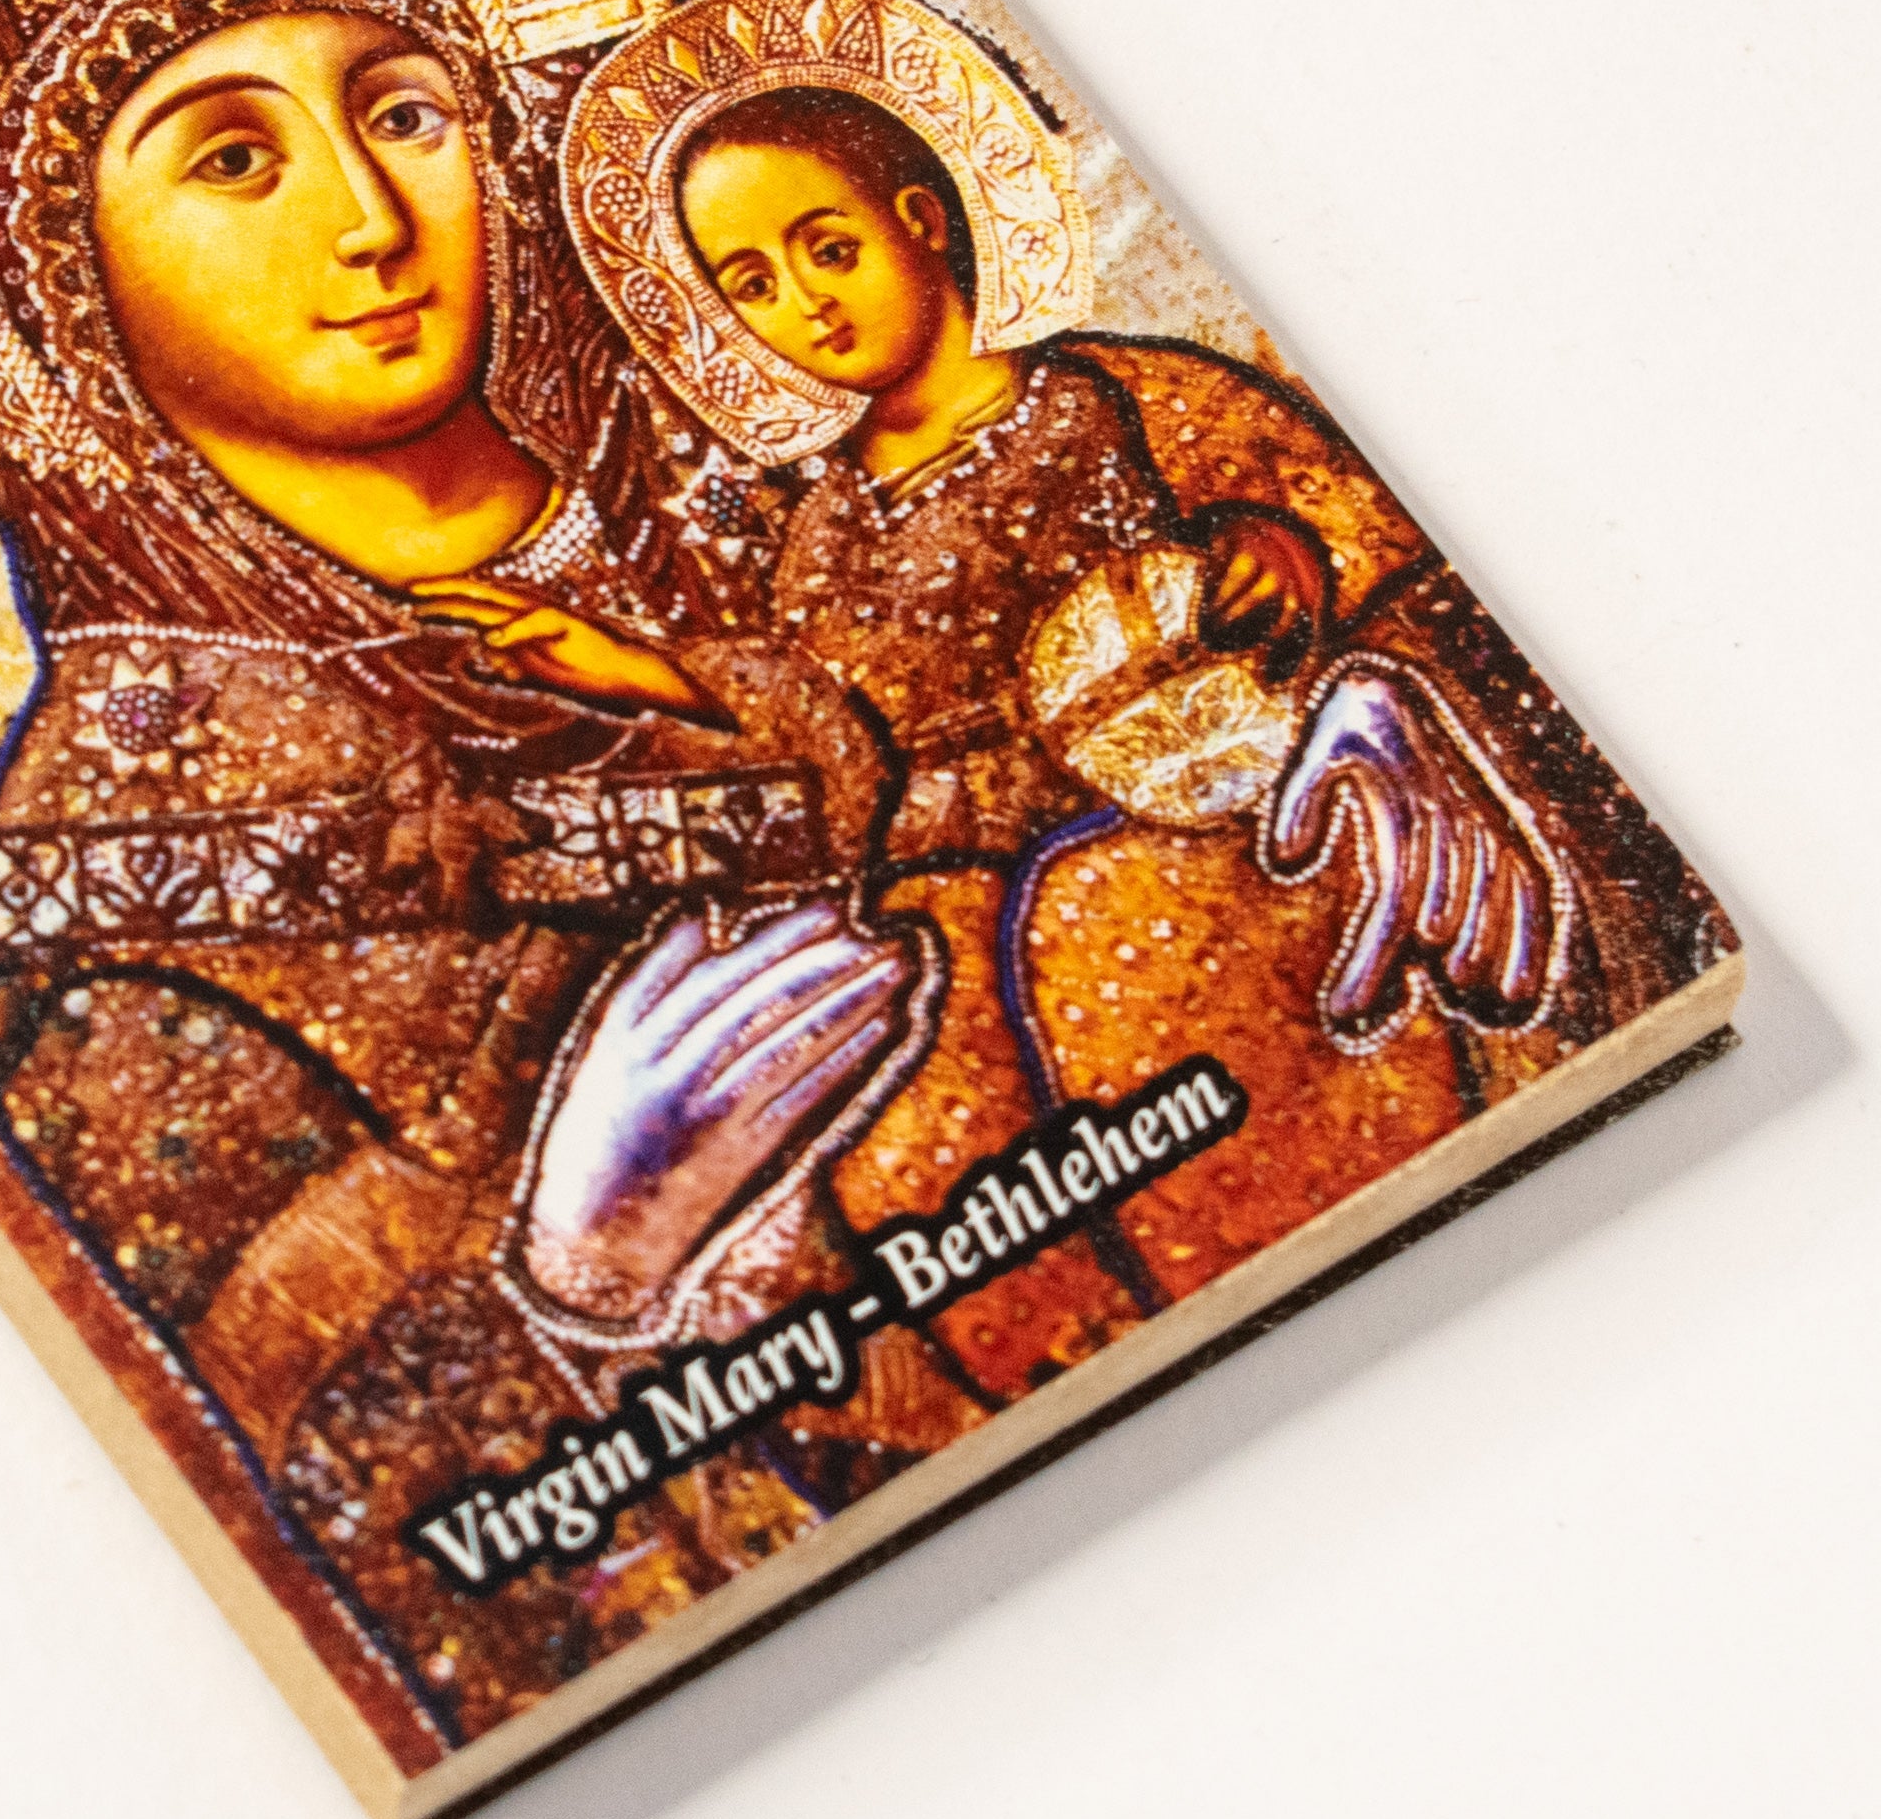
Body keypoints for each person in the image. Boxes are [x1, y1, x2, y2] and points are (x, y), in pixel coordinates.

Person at [0, 0, 999, 1740]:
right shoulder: (100, 864)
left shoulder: (806, 505)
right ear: (60, 279)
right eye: (229, 158)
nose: (367, 219)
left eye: (404, 114)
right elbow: (361, 1493)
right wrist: (577, 1277)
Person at [657, 76, 1730, 1360]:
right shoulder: (815, 535)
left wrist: (1274, 551)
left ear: (920, 220)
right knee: (910, 1133)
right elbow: (833, 748)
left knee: (1126, 972)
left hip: (1174, 846)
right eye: (751, 284)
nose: (805, 301)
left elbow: (1329, 510)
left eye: (826, 249)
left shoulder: (1116, 394)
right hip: (944, 896)